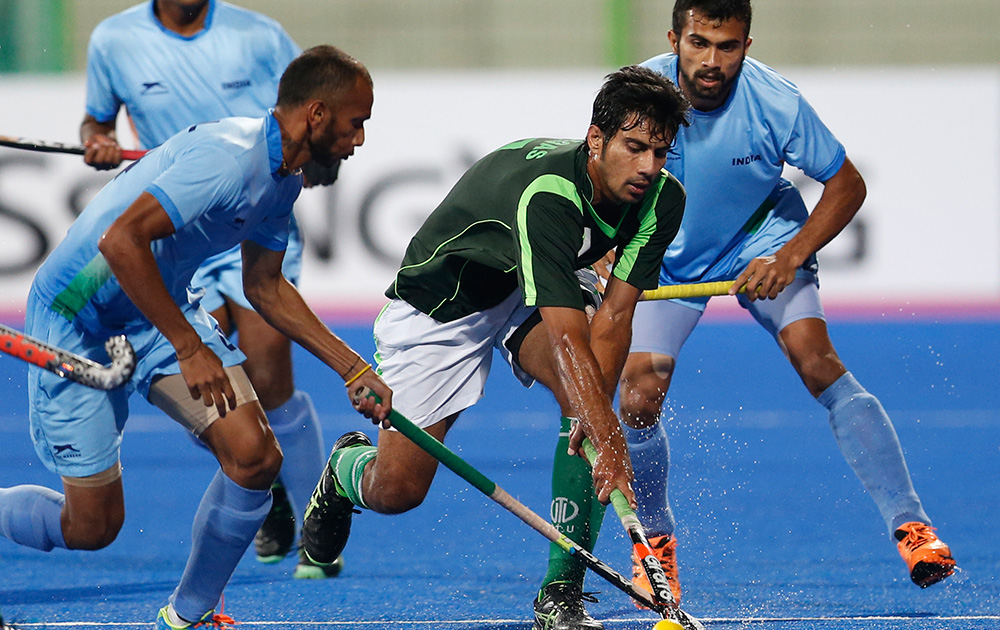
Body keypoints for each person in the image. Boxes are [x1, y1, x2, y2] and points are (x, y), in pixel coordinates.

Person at [0, 46, 388, 629]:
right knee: (92, 528)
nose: (359, 139)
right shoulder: (228, 159)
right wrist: (189, 344)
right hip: (78, 319)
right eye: (356, 121)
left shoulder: (281, 180)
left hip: (152, 311)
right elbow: (119, 243)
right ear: (315, 114)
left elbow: (264, 286)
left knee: (255, 457)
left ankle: (187, 616)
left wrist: (352, 366)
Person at [299, 66, 690, 630]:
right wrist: (605, 433)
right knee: (398, 490)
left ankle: (561, 593)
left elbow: (617, 314)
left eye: (660, 152)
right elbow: (565, 336)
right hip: (448, 303)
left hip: (535, 286)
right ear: (597, 139)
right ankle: (344, 470)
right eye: (635, 148)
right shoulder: (550, 198)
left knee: (587, 395)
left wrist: (597, 415)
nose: (649, 167)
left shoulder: (662, 199)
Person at [597, 0, 956, 607]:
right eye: (699, 43)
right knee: (638, 392)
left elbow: (847, 183)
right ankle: (654, 547)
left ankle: (912, 526)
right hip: (662, 250)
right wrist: (603, 248)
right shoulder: (640, 96)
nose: (712, 61)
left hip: (761, 238)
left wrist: (788, 257)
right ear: (673, 39)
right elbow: (595, 174)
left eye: (728, 46)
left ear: (747, 44)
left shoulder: (777, 103)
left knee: (817, 360)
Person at [80, 0, 340, 578]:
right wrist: (97, 140)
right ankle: (259, 486)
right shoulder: (113, 40)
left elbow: (314, 121)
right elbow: (95, 122)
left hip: (255, 218)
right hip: (178, 230)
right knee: (205, 381)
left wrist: (315, 164)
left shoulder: (259, 35)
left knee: (270, 380)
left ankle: (316, 525)